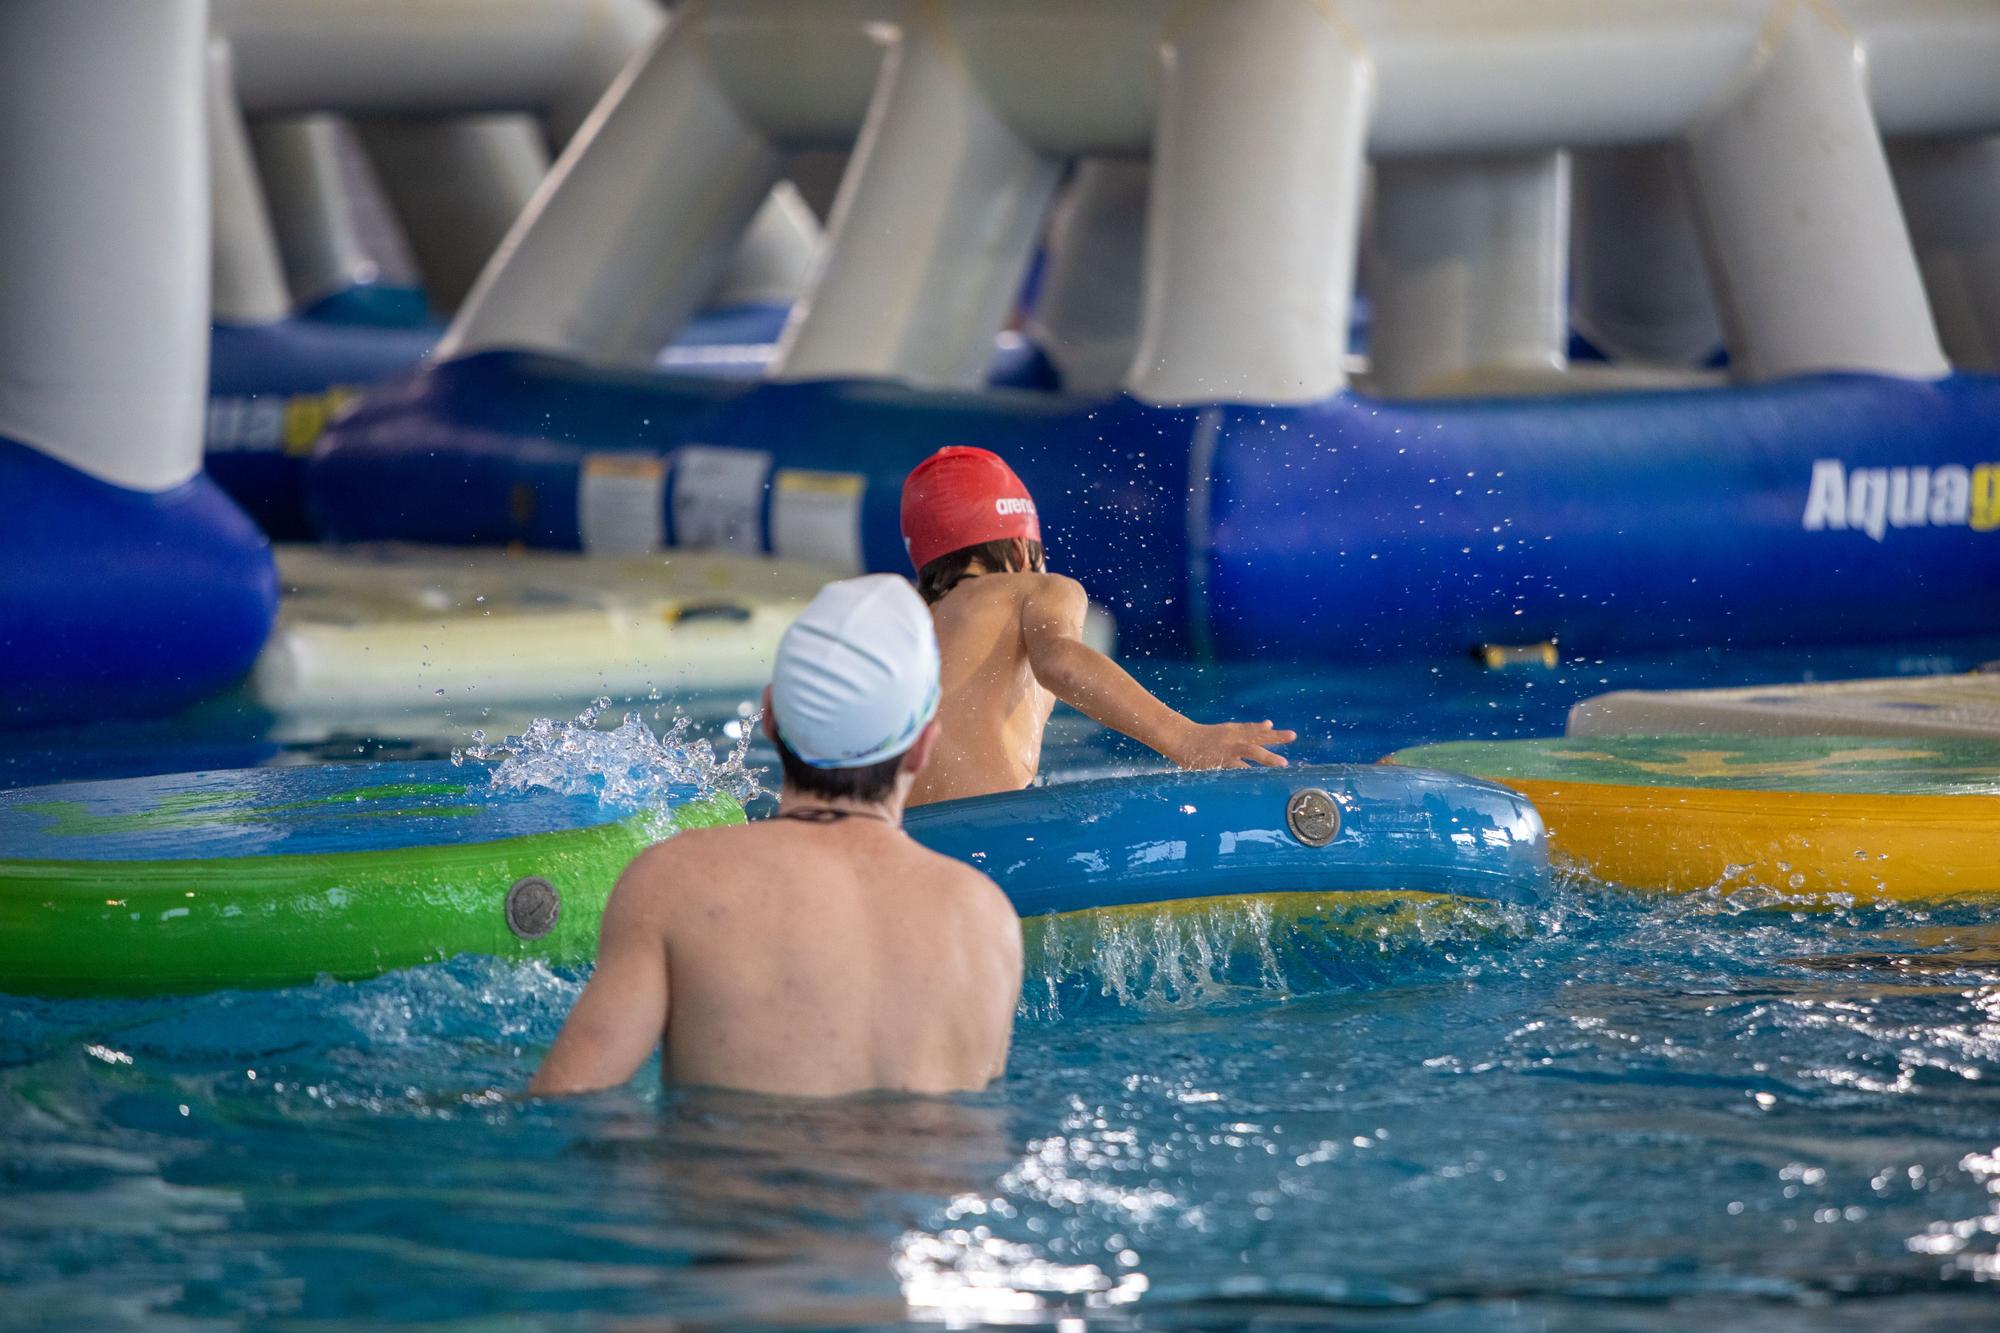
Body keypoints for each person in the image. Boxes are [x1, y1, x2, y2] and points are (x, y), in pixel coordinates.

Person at [531, 575, 1022, 1098]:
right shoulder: (986, 918)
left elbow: (564, 1101)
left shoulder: (678, 880)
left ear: (768, 717)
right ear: (924, 745)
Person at [901, 446, 1296, 807]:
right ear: (1023, 550)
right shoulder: (1038, 588)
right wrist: (1185, 738)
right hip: (983, 827)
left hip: (900, 831)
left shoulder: (904, 615)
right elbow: (1061, 661)